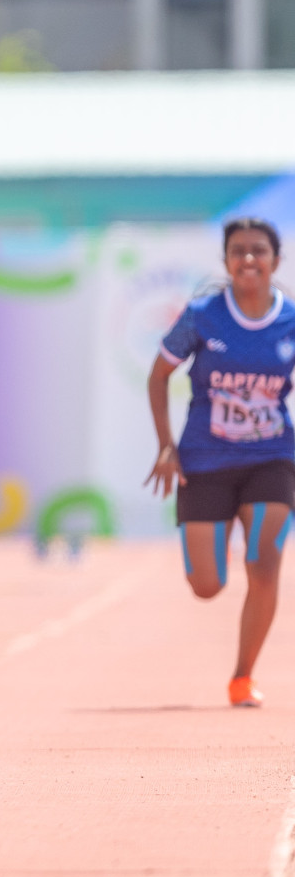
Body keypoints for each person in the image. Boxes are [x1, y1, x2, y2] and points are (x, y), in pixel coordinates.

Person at [146, 216, 295, 708]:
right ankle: (220, 543)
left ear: (276, 260)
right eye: (238, 251)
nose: (248, 259)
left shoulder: (290, 320)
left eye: (258, 250)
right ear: (226, 260)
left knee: (266, 562)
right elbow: (158, 376)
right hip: (205, 460)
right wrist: (166, 445)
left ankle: (242, 676)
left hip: (271, 458)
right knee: (206, 587)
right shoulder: (203, 316)